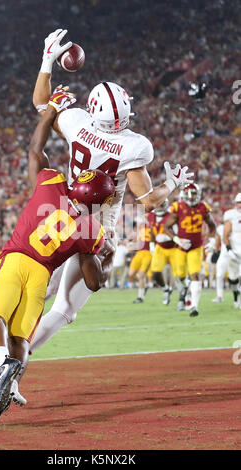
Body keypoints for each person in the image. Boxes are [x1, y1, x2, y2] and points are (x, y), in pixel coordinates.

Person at [29, 28, 194, 353]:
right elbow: (148, 202)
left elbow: (40, 104)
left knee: (39, 290)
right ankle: (15, 362)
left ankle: (5, 354)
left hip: (61, 217)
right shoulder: (134, 146)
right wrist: (172, 184)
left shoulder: (76, 121)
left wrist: (47, 60)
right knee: (64, 309)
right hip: (96, 230)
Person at [0, 94, 116, 428]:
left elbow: (36, 148)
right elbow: (94, 282)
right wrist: (102, 257)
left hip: (16, 259)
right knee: (21, 337)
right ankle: (13, 381)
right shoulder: (91, 229)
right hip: (41, 276)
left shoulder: (52, 183)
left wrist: (50, 111)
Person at [164, 183, 216, 317]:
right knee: (180, 275)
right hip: (180, 247)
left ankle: (194, 306)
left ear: (198, 194)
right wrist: (177, 239)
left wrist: (212, 240)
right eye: (189, 193)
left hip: (196, 247)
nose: (191, 196)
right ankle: (186, 288)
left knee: (195, 274)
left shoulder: (203, 207)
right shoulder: (178, 207)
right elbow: (166, 227)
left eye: (194, 193)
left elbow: (212, 226)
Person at [147, 199, 177, 305]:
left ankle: (184, 297)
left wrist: (168, 237)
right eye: (158, 205)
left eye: (161, 205)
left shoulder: (172, 216)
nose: (159, 207)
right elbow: (152, 231)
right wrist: (151, 244)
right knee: (155, 273)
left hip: (174, 247)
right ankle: (166, 289)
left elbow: (178, 233)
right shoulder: (150, 216)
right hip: (160, 247)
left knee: (179, 275)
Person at [222, 193, 241, 308]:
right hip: (234, 250)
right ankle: (235, 296)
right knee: (233, 278)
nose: (240, 205)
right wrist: (229, 249)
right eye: (239, 203)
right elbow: (225, 234)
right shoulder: (230, 215)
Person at [128, 218, 152, 303]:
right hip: (139, 253)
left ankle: (140, 297)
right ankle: (143, 286)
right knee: (131, 274)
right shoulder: (140, 228)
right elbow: (137, 240)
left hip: (148, 253)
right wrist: (132, 245)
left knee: (141, 275)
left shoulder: (152, 227)